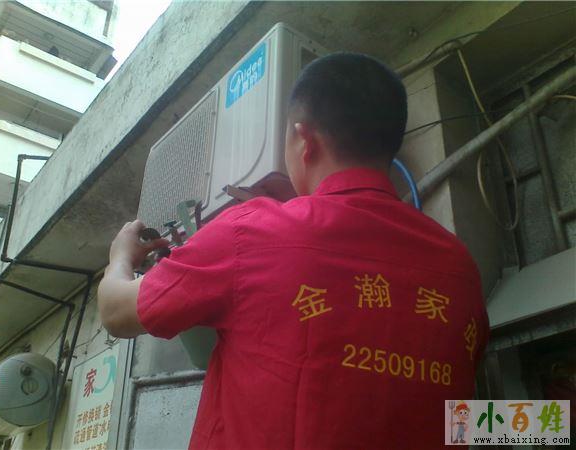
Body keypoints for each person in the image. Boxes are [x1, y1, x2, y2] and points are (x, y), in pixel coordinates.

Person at [98, 52, 489, 449]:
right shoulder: (460, 267)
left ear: (304, 140)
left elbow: (116, 312)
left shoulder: (251, 232)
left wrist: (120, 258)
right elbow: (462, 418)